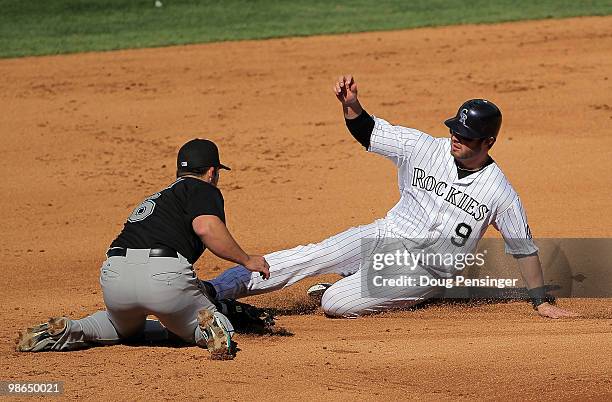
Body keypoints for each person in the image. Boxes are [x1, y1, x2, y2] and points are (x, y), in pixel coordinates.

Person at [206, 75, 578, 319]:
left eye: (465, 136)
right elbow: (368, 132)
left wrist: (541, 300)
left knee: (335, 304)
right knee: (312, 254)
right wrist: (351, 106)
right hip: (385, 234)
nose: (455, 138)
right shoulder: (423, 147)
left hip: (426, 270)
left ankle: (351, 282)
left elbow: (523, 248)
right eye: (455, 130)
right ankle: (215, 290)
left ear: (488, 142)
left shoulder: (499, 192)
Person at [16, 139, 270, 358]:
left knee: (119, 328)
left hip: (116, 276)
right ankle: (210, 327)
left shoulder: (159, 197)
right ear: (212, 172)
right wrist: (246, 259)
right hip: (165, 277)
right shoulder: (202, 188)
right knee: (194, 326)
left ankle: (71, 329)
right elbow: (206, 227)